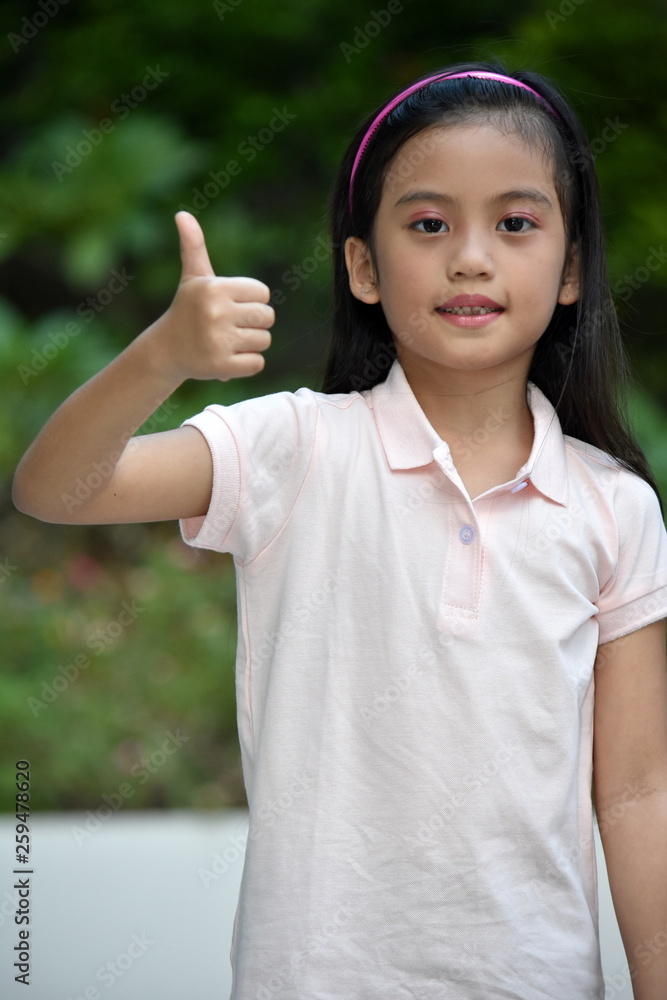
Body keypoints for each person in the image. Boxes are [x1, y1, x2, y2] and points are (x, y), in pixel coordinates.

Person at [13, 61, 667, 999]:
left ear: (570, 270)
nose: (470, 257)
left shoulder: (613, 506)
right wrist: (163, 356)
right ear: (363, 266)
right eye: (428, 224)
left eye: (515, 223)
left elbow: (637, 793)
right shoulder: (296, 449)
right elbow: (55, 491)